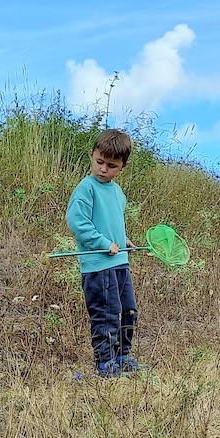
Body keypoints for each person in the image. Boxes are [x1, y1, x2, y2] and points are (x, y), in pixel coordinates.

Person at [66, 129, 140, 378]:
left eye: (111, 165)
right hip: (98, 264)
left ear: (122, 167)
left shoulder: (118, 193)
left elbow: (112, 222)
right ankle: (105, 363)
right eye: (99, 162)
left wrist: (123, 240)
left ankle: (122, 356)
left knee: (128, 310)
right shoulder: (86, 188)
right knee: (106, 314)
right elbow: (78, 223)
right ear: (92, 155)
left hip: (120, 263)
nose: (103, 169)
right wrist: (103, 242)